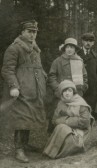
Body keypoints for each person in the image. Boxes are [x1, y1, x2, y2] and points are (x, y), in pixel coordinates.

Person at [1, 20, 47, 162]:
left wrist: (44, 78)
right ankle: (19, 149)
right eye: (29, 31)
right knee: (21, 118)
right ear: (22, 32)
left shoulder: (35, 49)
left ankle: (25, 145)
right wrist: (14, 86)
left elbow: (38, 67)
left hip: (34, 89)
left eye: (34, 32)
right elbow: (7, 70)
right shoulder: (14, 48)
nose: (32, 35)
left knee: (29, 117)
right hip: (21, 90)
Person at [43, 80, 94, 159]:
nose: (67, 93)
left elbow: (85, 122)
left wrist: (65, 120)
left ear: (73, 92)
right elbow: (54, 120)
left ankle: (53, 153)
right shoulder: (61, 103)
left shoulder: (80, 103)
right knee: (61, 128)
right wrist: (66, 122)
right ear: (61, 93)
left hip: (81, 132)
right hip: (67, 130)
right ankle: (51, 152)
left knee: (62, 128)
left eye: (69, 91)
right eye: (64, 91)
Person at [47, 37, 88, 133]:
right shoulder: (58, 61)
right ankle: (53, 134)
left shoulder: (79, 61)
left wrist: (84, 86)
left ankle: (73, 137)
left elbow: (84, 76)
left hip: (76, 94)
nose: (69, 49)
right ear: (64, 49)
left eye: (72, 47)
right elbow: (51, 76)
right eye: (67, 47)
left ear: (75, 49)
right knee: (58, 113)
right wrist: (58, 89)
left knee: (75, 114)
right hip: (61, 94)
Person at [78, 33, 97, 120]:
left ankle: (91, 120)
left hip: (92, 87)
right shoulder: (76, 54)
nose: (88, 43)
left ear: (93, 43)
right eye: (86, 40)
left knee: (91, 106)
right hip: (79, 85)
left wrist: (96, 79)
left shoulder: (96, 57)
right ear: (82, 41)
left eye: (90, 41)